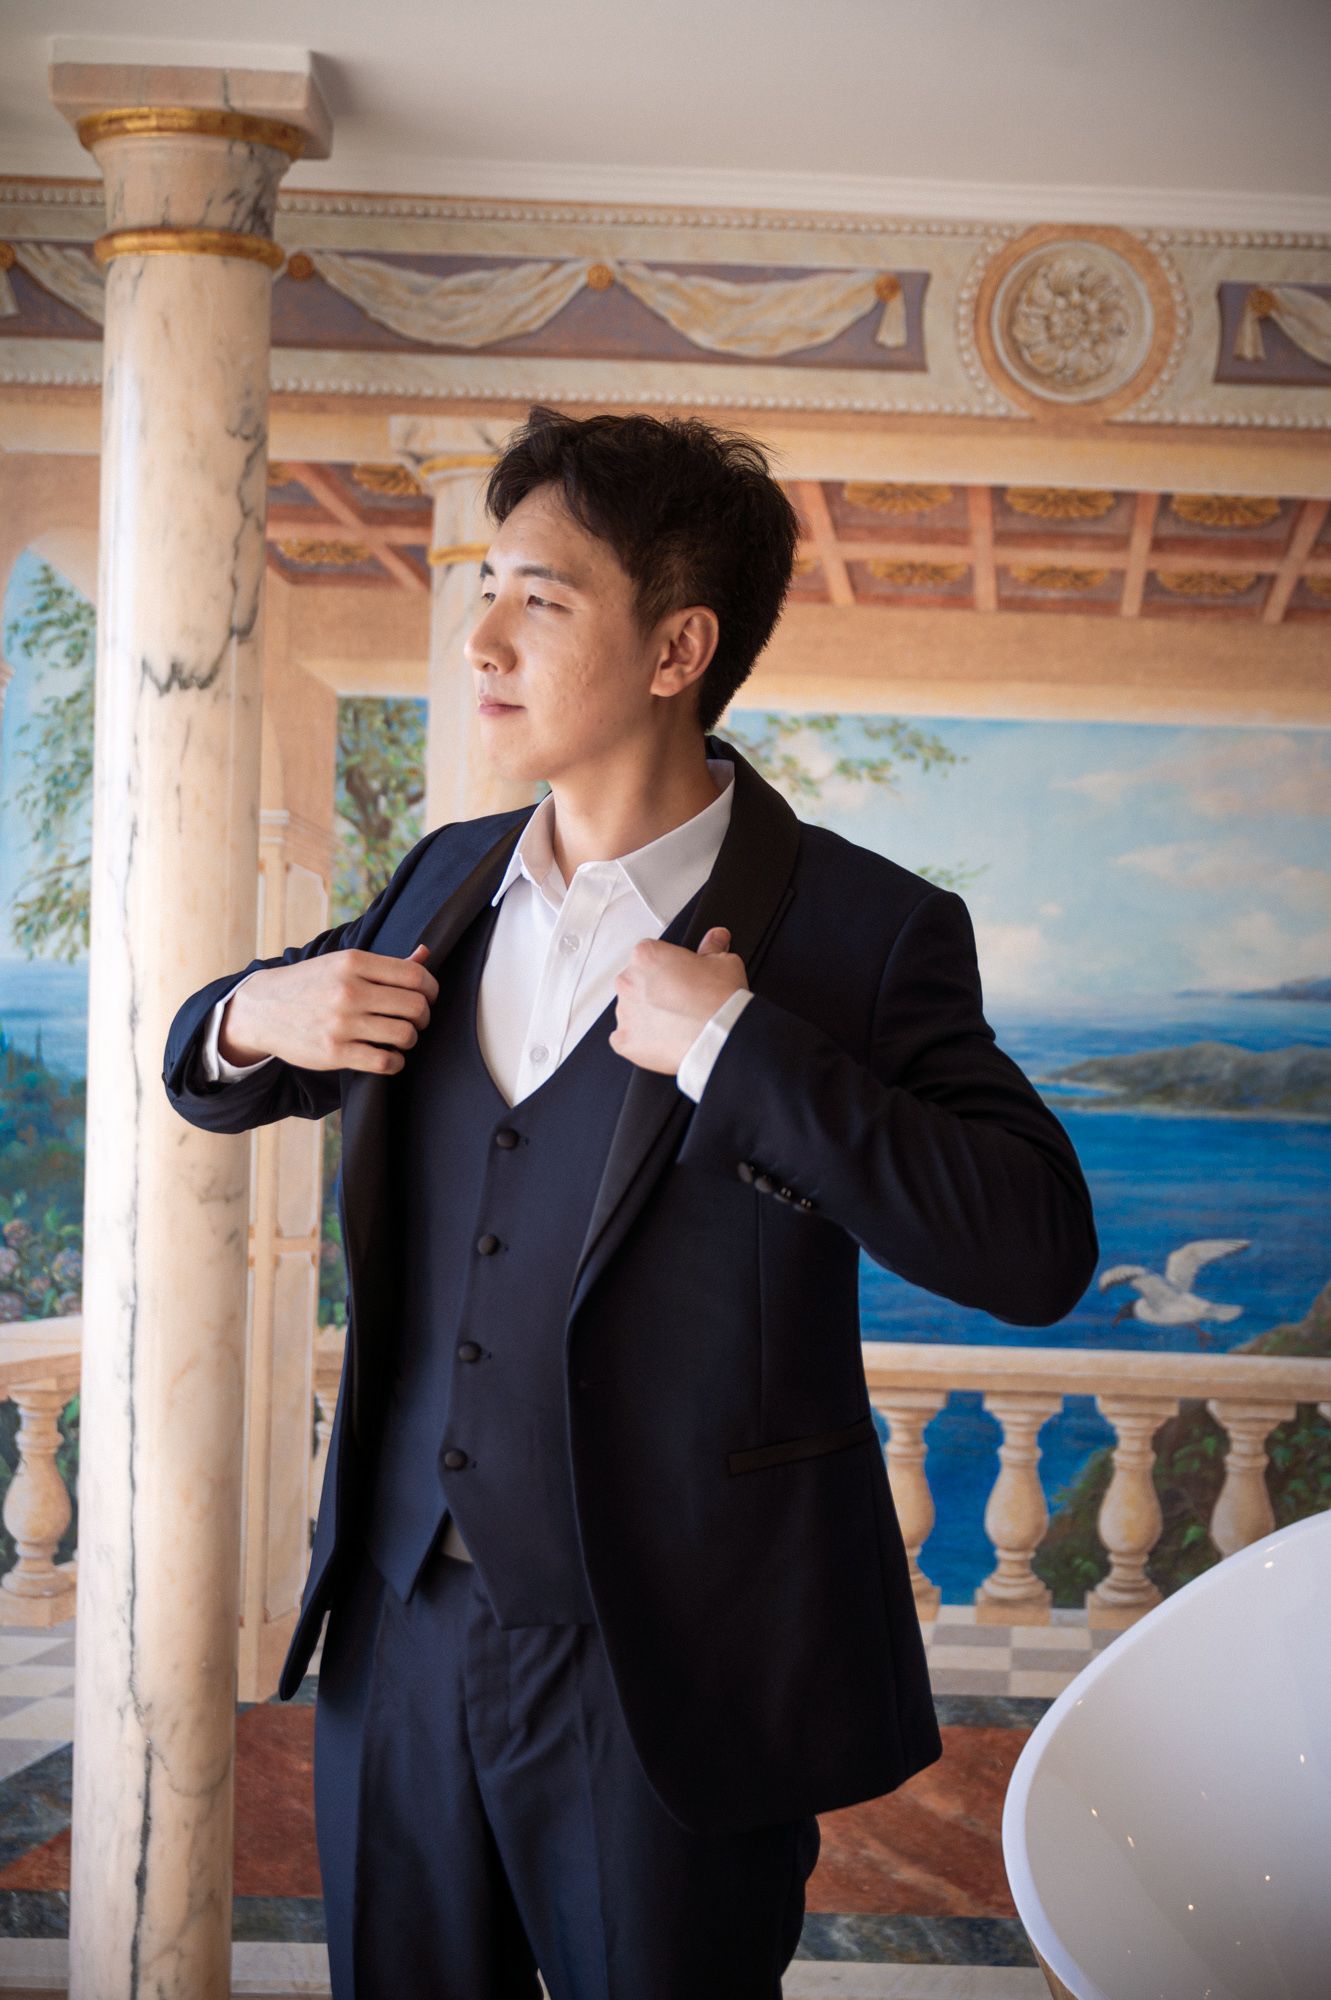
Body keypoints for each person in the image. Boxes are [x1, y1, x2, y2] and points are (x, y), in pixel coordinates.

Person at [162, 404, 1099, 1999]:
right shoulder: (441, 878)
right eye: (484, 586)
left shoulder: (863, 932)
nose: (482, 638)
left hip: (672, 1662)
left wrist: (737, 1046)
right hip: (401, 1637)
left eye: (541, 595)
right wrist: (255, 1014)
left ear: (677, 648)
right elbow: (206, 1066)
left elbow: (1034, 1248)